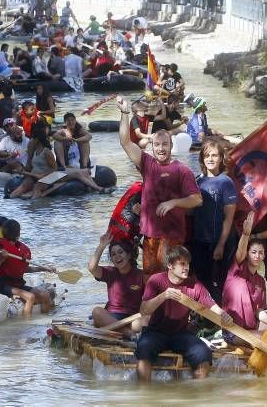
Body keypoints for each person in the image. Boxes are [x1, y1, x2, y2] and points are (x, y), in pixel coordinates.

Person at [117, 97, 202, 276]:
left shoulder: (182, 170)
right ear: (152, 147)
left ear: (172, 146)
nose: (161, 148)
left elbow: (196, 199)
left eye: (165, 144)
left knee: (170, 280)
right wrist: (124, 113)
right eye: (157, 145)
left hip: (172, 236)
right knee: (150, 279)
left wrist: (174, 202)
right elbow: (125, 142)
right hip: (149, 236)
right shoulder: (147, 163)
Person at [135, 246, 233, 381]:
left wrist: (223, 314)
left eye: (187, 263)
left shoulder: (194, 284)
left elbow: (212, 306)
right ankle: (143, 392)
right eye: (182, 263)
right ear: (170, 265)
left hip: (180, 333)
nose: (186, 267)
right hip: (155, 331)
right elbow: (143, 310)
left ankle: (197, 394)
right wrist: (164, 295)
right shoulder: (156, 280)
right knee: (143, 349)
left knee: (203, 353)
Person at [190, 140, 237, 301]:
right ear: (202, 158)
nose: (210, 158)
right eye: (207, 155)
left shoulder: (226, 182)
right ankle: (206, 318)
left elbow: (229, 218)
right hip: (199, 241)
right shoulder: (197, 181)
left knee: (219, 282)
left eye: (214, 155)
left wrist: (221, 245)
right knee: (202, 280)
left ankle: (222, 317)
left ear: (221, 158)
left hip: (219, 241)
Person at [221, 213, 267, 345]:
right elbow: (240, 252)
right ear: (247, 254)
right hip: (233, 331)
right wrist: (246, 234)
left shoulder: (261, 282)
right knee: (264, 339)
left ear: (264, 256)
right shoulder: (237, 270)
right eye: (253, 252)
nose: (257, 256)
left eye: (261, 253)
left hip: (251, 330)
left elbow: (259, 311)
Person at [0, 219, 53, 317]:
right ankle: (26, 326)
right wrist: (2, 258)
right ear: (18, 234)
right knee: (30, 297)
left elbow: (24, 269)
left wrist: (43, 268)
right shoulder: (1, 249)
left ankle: (45, 323)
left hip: (18, 284)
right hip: (2, 285)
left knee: (45, 295)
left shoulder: (21, 250)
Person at [88, 232, 145, 338]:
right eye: (113, 254)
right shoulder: (110, 272)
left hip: (132, 319)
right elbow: (92, 268)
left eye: (120, 252)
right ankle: (127, 333)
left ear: (128, 255)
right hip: (111, 316)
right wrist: (102, 246)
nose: (117, 256)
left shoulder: (141, 275)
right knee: (96, 312)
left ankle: (118, 330)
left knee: (146, 321)